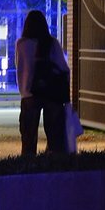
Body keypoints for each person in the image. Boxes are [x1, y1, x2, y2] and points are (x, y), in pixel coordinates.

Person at [15, 9, 70, 156]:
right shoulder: (52, 43)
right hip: (52, 93)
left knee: (28, 136)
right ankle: (53, 161)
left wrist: (24, 90)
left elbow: (20, 68)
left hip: (29, 93)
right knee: (54, 136)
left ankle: (28, 162)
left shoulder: (21, 44)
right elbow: (64, 68)